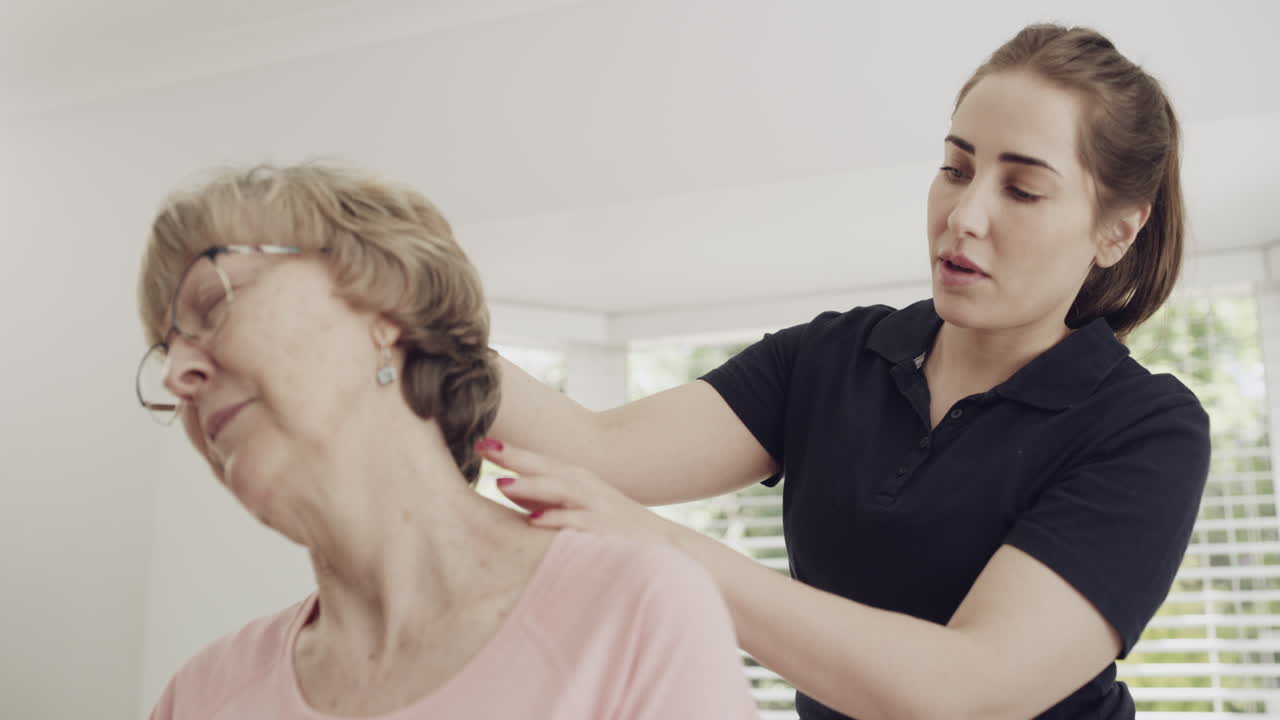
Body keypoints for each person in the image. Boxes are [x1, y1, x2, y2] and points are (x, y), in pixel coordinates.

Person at [481, 23, 1211, 720]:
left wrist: (668, 549)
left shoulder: (1144, 428)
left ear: (1117, 231)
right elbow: (595, 451)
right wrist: (422, 317)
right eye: (956, 170)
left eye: (1021, 189)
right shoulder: (831, 358)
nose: (964, 215)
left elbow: (969, 691)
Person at [136, 164, 759, 719]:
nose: (176, 375)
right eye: (166, 352)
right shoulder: (199, 697)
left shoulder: (632, 614)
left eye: (212, 303)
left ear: (385, 303)